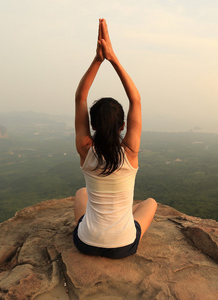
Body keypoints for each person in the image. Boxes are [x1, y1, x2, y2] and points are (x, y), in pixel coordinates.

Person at [73, 18, 157, 259]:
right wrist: (113, 58)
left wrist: (97, 60)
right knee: (149, 202)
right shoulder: (130, 151)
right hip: (123, 247)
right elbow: (136, 101)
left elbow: (80, 97)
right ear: (123, 125)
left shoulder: (85, 149)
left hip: (86, 243)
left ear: (92, 126)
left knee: (81, 193)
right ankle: (121, 216)